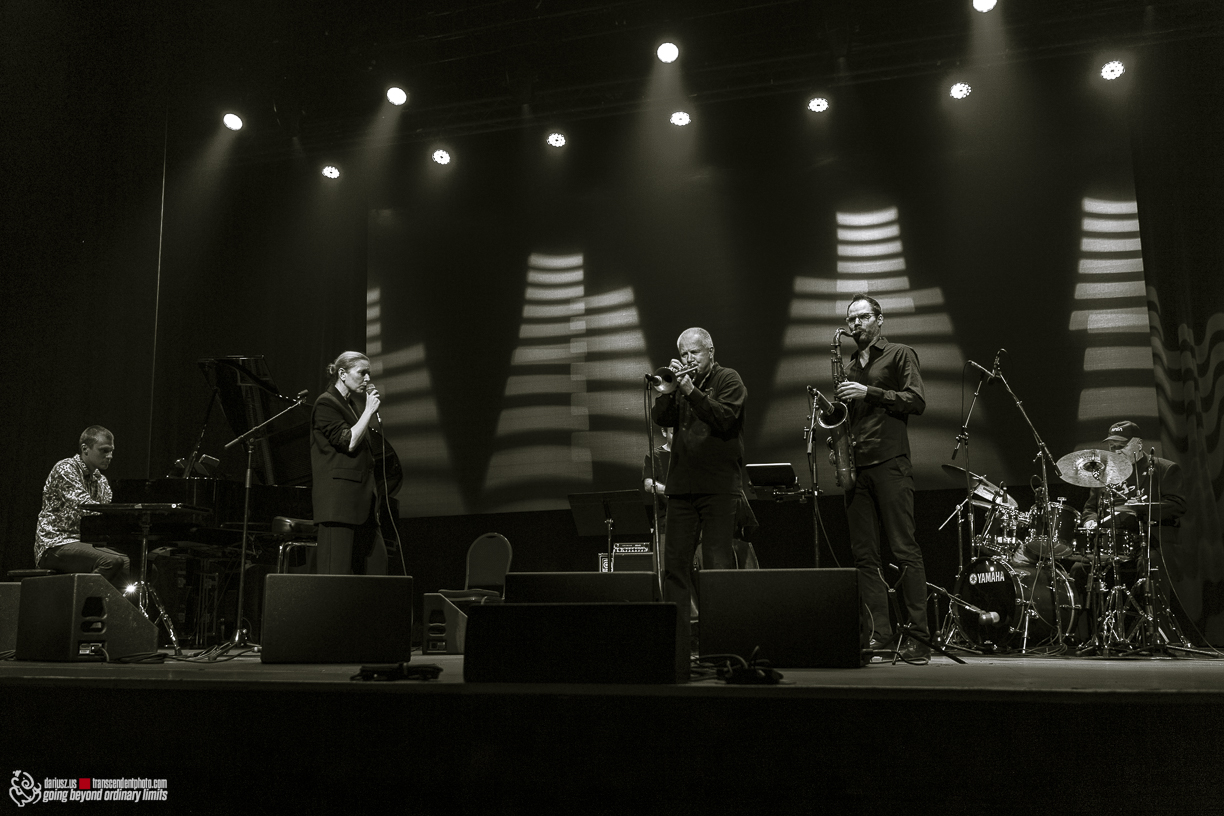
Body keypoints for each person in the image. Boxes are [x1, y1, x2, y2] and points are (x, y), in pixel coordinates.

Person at [834, 294, 930, 663]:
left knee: (904, 549)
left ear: (879, 319)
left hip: (890, 462)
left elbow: (916, 401)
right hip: (855, 469)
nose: (855, 324)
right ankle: (880, 635)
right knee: (864, 557)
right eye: (851, 319)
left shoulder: (899, 354)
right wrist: (836, 438)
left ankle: (919, 638)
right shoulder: (847, 367)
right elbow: (846, 417)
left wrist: (869, 392)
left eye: (862, 317)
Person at [650, 328, 746, 653]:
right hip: (681, 488)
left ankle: (722, 643)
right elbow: (659, 418)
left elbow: (726, 418)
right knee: (674, 567)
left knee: (717, 567)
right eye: (684, 354)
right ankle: (678, 645)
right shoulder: (679, 386)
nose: (689, 359)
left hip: (719, 486)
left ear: (710, 351)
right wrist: (669, 391)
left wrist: (691, 391)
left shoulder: (728, 379)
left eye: (695, 353)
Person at [311, 351, 388, 576]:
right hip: (339, 506)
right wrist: (369, 411)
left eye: (369, 374)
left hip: (362, 506)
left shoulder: (351, 406)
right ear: (342, 374)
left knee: (377, 573)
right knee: (335, 577)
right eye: (362, 373)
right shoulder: (326, 402)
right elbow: (349, 441)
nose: (367, 379)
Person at [35, 426, 131, 590]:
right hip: (55, 544)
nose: (110, 456)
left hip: (84, 544)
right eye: (104, 450)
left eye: (111, 451)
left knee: (128, 563)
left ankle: (109, 605)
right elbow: (84, 506)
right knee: (111, 561)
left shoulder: (101, 480)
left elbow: (104, 516)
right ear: (85, 449)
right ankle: (81, 602)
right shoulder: (65, 468)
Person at [1081, 420, 1186, 541]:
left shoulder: (1164, 469)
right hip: (1112, 541)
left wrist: (1142, 510)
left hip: (1151, 540)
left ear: (1139, 444)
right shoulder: (1103, 474)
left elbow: (1178, 506)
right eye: (1112, 446)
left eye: (1122, 446)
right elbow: (1091, 508)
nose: (1117, 451)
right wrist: (1090, 520)